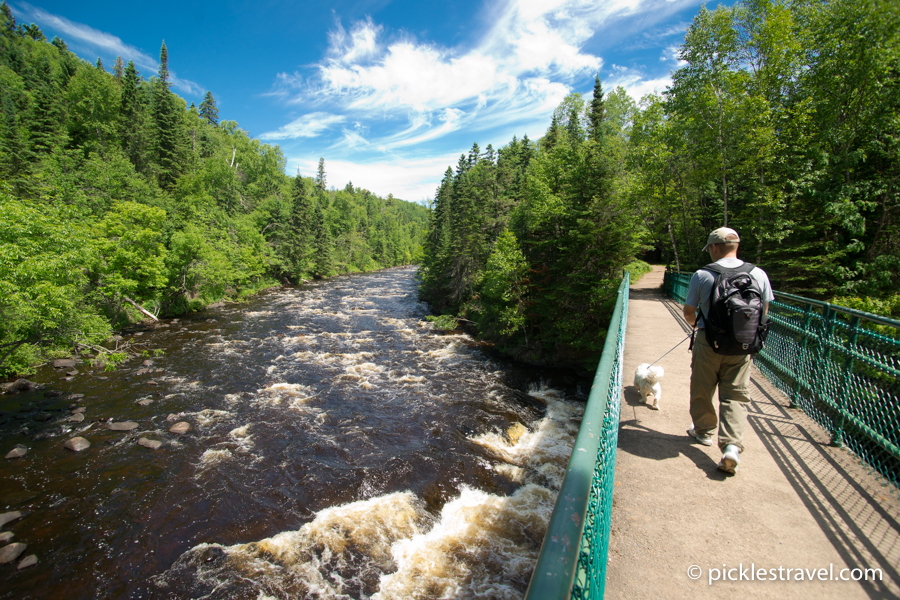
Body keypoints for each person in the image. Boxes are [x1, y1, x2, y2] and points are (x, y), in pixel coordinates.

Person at [682, 227, 774, 475]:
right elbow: (763, 313)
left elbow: (689, 312)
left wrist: (698, 327)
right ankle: (731, 446)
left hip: (708, 340)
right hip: (743, 345)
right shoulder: (758, 274)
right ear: (737, 246)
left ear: (713, 247)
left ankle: (703, 432)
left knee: (702, 386)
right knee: (736, 394)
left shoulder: (703, 274)